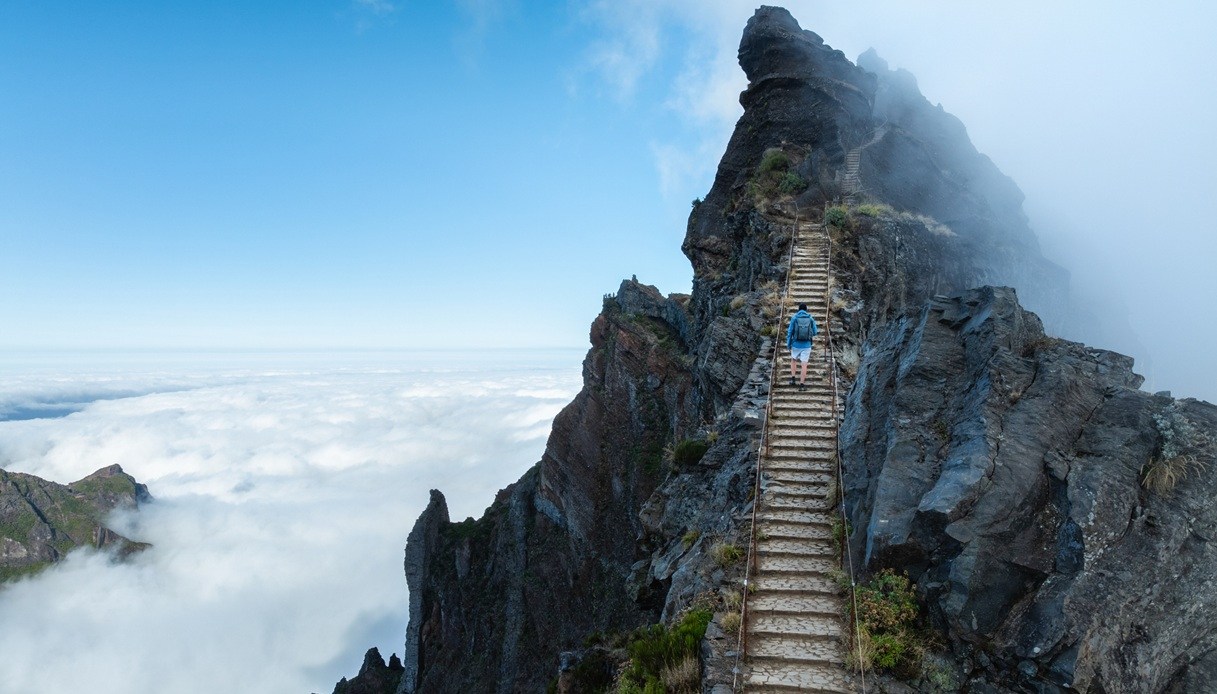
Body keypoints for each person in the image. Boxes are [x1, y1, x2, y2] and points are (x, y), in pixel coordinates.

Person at [786, 303, 818, 388]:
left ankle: (793, 378)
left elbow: (789, 332)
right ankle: (802, 384)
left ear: (798, 309)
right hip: (807, 345)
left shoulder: (794, 318)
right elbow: (815, 332)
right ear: (806, 310)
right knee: (804, 364)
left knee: (793, 360)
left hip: (795, 344)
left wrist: (788, 344)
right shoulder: (810, 318)